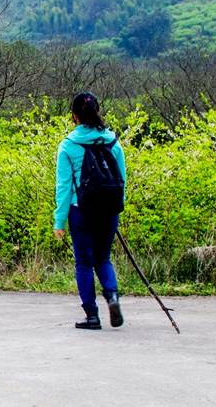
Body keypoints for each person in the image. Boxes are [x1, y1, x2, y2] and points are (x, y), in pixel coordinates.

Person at [54, 92, 127, 330]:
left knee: (84, 263)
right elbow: (121, 180)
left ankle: (92, 316)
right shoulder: (112, 141)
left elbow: (64, 187)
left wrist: (59, 221)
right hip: (108, 210)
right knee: (103, 258)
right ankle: (113, 297)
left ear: (74, 115)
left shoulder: (68, 145)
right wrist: (117, 208)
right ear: (97, 110)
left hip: (81, 211)